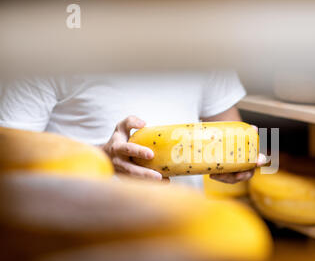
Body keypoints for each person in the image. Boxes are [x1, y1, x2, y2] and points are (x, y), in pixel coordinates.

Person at [0, 71, 264, 188]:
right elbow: (8, 165)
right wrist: (102, 157)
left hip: (185, 236)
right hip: (83, 246)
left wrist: (241, 166)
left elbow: (234, 131)